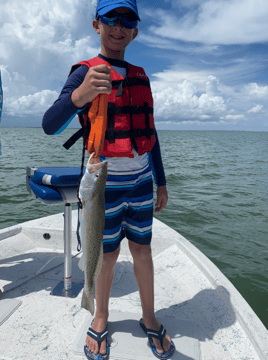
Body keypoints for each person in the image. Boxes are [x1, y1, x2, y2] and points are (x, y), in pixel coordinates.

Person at [42, 1, 175, 359]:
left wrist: (160, 182)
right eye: (111, 18)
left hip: (142, 181)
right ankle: (100, 315)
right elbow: (50, 123)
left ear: (135, 29)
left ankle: (149, 316)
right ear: (96, 25)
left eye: (127, 18)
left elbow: (151, 133)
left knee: (143, 250)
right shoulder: (84, 73)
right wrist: (80, 95)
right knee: (107, 253)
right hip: (103, 184)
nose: (119, 25)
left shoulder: (140, 75)